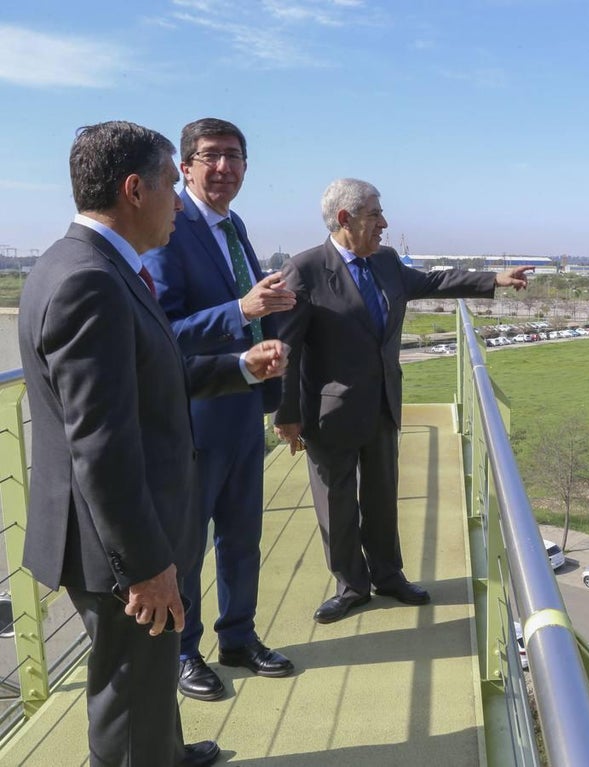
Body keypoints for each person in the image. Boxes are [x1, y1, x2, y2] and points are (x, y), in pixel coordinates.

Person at [18, 122, 287, 766]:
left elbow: (146, 377)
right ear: (135, 189)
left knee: (146, 672)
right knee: (127, 689)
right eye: (173, 181)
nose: (179, 197)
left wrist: (241, 369)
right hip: (116, 542)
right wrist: (144, 565)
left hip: (118, 527)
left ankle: (166, 751)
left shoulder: (86, 262)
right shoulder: (93, 282)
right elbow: (101, 443)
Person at [273, 178, 531, 624]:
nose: (384, 223)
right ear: (344, 219)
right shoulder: (306, 269)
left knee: (381, 495)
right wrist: (287, 416)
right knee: (336, 504)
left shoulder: (387, 261)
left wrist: (494, 279)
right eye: (375, 215)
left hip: (383, 404)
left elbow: (434, 280)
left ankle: (388, 576)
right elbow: (287, 349)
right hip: (329, 413)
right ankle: (351, 586)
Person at [143, 118, 296, 702]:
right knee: (186, 546)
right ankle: (183, 653)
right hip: (194, 414)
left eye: (235, 156)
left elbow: (250, 311)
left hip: (243, 410)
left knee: (241, 536)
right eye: (211, 157)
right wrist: (241, 307)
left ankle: (238, 637)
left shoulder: (235, 227)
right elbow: (165, 333)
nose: (224, 168)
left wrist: (269, 326)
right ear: (184, 167)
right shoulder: (169, 229)